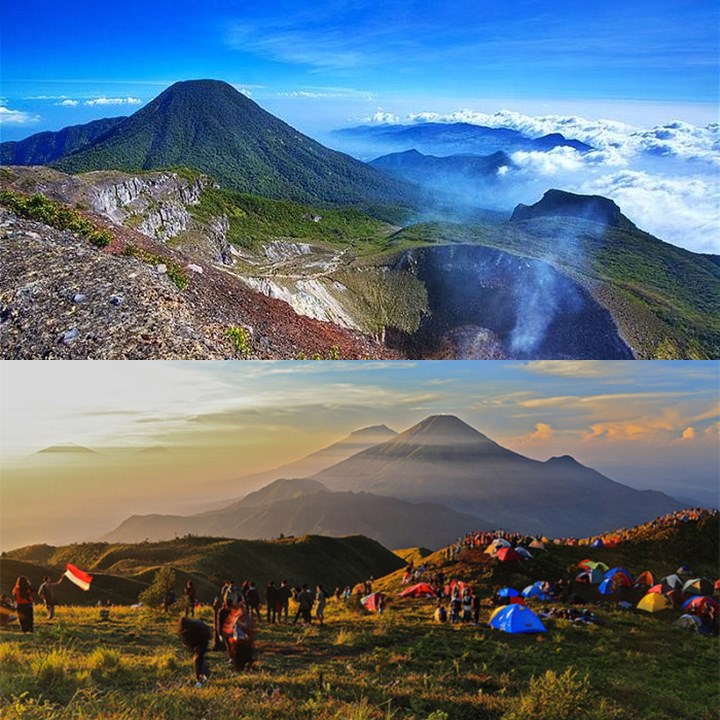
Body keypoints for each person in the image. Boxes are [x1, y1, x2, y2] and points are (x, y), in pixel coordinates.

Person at [178, 616, 212, 688]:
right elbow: (187, 642)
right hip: (196, 643)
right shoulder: (184, 632)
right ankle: (205, 672)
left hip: (203, 640)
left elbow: (207, 635)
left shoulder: (198, 627)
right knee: (198, 659)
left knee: (198, 658)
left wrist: (199, 649)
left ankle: (200, 680)